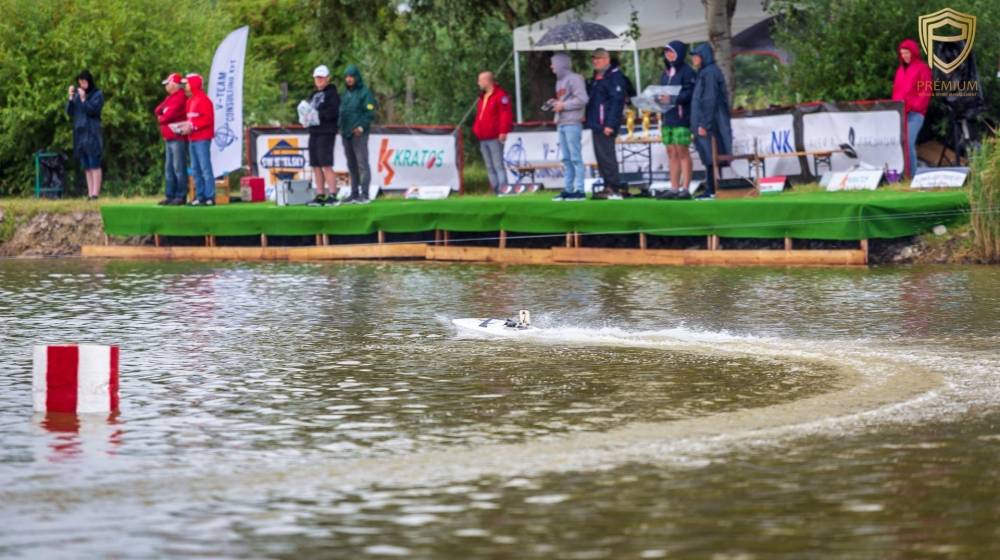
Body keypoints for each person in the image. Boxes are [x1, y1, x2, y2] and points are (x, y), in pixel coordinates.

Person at [690, 43, 733, 200]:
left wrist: (704, 125)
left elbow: (709, 100)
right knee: (709, 156)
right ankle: (712, 188)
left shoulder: (710, 73)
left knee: (711, 155)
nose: (693, 59)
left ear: (704, 56)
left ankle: (713, 189)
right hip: (708, 122)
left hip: (712, 123)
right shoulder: (705, 72)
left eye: (696, 56)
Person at [585, 48, 628, 200]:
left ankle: (614, 187)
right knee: (601, 157)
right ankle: (607, 185)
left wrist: (610, 124)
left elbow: (617, 102)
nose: (595, 61)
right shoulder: (596, 77)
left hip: (606, 124)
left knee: (607, 156)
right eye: (594, 58)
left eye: (599, 58)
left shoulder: (614, 77)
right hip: (596, 123)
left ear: (607, 59)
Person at [658, 41, 696, 199]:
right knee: (671, 152)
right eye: (666, 52)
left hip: (682, 118)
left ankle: (685, 189)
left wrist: (672, 98)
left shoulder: (687, 71)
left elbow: (691, 93)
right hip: (667, 118)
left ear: (679, 52)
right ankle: (674, 188)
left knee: (682, 151)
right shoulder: (665, 73)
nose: (668, 54)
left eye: (671, 51)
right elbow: (662, 95)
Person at [549, 53, 588, 201]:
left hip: (573, 123)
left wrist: (563, 105)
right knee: (566, 158)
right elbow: (564, 100)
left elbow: (583, 99)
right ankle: (568, 189)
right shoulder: (559, 81)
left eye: (553, 63)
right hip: (562, 123)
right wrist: (556, 104)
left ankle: (580, 190)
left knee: (575, 158)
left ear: (561, 64)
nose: (551, 66)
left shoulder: (575, 78)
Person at [892, 38, 932, 179]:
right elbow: (896, 92)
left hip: (915, 114)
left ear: (913, 52)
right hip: (901, 113)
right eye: (902, 53)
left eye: (907, 53)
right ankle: (905, 176)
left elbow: (926, 91)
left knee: (908, 143)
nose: (904, 56)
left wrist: (915, 106)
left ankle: (914, 177)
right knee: (902, 145)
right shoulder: (900, 71)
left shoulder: (922, 68)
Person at [339, 64, 377, 204]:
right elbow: (341, 112)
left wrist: (361, 127)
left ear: (356, 77)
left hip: (359, 133)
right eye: (347, 76)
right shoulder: (345, 94)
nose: (349, 79)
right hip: (346, 133)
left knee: (362, 164)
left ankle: (365, 194)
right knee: (351, 165)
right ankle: (354, 193)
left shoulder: (365, 93)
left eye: (351, 76)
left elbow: (370, 113)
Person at [472, 71, 514, 194]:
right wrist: (476, 129)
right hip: (482, 136)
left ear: (486, 81)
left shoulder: (500, 95)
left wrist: (503, 131)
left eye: (480, 80)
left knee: (498, 164)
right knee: (489, 166)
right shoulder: (482, 96)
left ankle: (503, 189)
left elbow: (505, 114)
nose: (478, 83)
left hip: (494, 136)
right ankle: (495, 189)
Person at [305, 65, 341, 206]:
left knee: (326, 164)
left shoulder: (333, 94)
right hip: (313, 131)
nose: (319, 80)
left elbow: (334, 113)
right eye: (317, 77)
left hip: (326, 132)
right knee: (315, 164)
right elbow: (308, 110)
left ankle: (332, 194)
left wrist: (317, 114)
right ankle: (320, 194)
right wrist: (305, 118)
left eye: (321, 77)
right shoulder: (313, 95)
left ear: (327, 78)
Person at [66, 70, 105, 200]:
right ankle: (89, 193)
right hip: (80, 135)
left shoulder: (97, 94)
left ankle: (95, 194)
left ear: (89, 81)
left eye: (84, 82)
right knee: (87, 166)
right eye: (80, 82)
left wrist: (83, 99)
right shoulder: (78, 96)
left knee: (95, 164)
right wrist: (71, 98)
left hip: (92, 133)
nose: (82, 85)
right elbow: (70, 112)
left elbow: (93, 111)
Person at [179, 73, 216, 206]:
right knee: (195, 169)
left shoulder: (204, 100)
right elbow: (191, 120)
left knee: (205, 168)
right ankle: (200, 196)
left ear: (194, 84)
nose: (185, 86)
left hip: (202, 138)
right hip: (192, 139)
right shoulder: (190, 101)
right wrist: (183, 126)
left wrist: (193, 126)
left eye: (187, 83)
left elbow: (208, 119)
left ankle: (210, 196)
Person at [154, 73, 189, 205]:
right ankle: (170, 195)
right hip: (169, 137)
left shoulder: (180, 97)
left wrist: (162, 116)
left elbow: (168, 116)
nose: (166, 86)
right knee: (169, 167)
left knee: (178, 167)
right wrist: (163, 113)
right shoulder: (170, 97)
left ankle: (180, 195)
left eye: (168, 83)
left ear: (174, 84)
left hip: (177, 136)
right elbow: (157, 110)